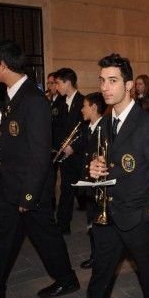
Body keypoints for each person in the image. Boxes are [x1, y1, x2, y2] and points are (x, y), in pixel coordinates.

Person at [0, 40, 79, 298]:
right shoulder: (13, 96)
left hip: (27, 186)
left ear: (3, 64)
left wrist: (29, 194)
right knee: (3, 239)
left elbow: (38, 154)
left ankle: (67, 279)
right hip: (11, 184)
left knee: (45, 236)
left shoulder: (33, 99)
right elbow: (17, 135)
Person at [80, 53, 149, 298]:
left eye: (113, 81)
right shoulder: (106, 123)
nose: (105, 87)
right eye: (102, 81)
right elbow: (106, 162)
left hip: (136, 218)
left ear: (130, 84)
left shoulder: (148, 126)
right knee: (100, 275)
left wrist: (145, 214)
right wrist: (94, 169)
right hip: (107, 215)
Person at [63, 92, 106, 269]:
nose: (82, 109)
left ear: (94, 107)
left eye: (84, 106)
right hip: (89, 183)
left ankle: (103, 256)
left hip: (100, 183)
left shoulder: (105, 127)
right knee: (91, 222)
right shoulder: (87, 128)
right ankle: (96, 255)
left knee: (100, 224)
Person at [53, 67, 85, 234]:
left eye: (58, 83)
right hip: (65, 154)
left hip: (80, 154)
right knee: (66, 191)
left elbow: (86, 130)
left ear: (67, 82)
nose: (56, 86)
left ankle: (95, 228)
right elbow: (56, 127)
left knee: (88, 193)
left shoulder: (84, 101)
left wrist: (74, 147)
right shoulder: (58, 102)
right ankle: (63, 225)